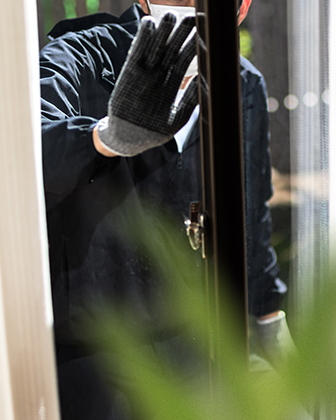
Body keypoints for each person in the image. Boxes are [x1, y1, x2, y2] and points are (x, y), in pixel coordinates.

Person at [40, 1, 294, 418]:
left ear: (242, 6)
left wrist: (268, 318)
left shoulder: (242, 85)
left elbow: (250, 211)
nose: (191, 5)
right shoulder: (82, 55)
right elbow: (29, 149)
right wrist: (104, 138)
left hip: (194, 341)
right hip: (96, 349)